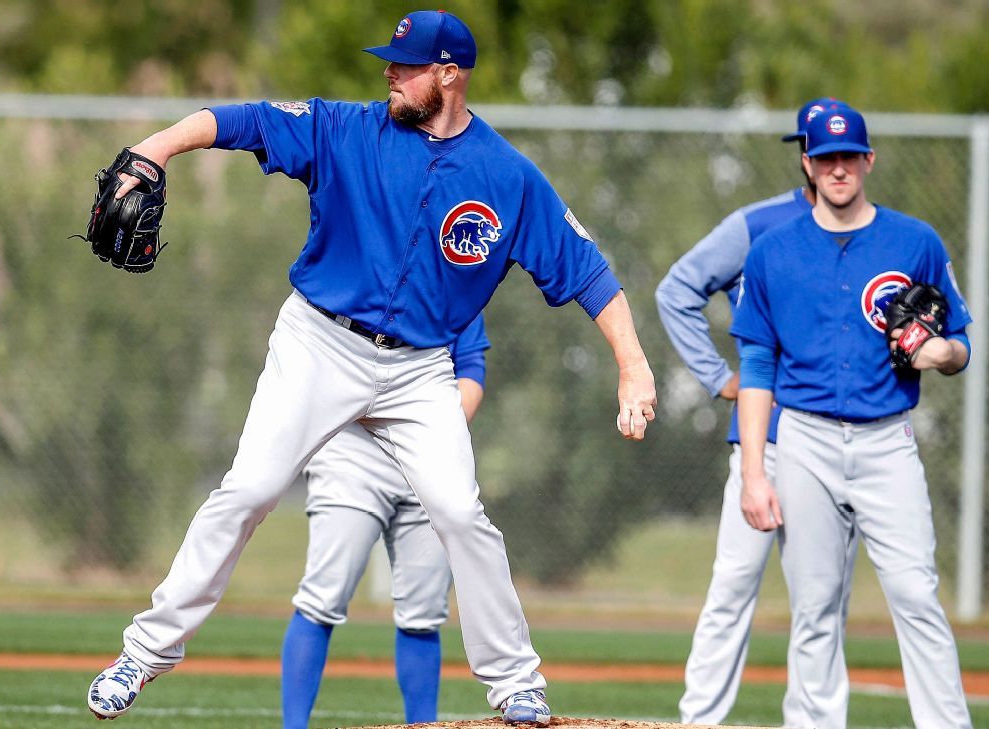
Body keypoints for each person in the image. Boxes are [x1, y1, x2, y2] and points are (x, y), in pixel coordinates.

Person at [85, 10, 658, 725]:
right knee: (251, 488)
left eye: (407, 63)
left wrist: (632, 365)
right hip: (320, 342)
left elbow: (589, 273)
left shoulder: (506, 176)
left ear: (449, 74)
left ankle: (515, 682)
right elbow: (245, 120)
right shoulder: (344, 128)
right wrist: (158, 146)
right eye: (391, 60)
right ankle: (143, 653)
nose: (390, 71)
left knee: (459, 512)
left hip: (421, 369)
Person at [730, 102, 974, 729]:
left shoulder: (915, 242)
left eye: (850, 156)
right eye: (826, 157)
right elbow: (757, 368)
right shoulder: (772, 252)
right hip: (805, 440)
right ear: (808, 163)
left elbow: (961, 346)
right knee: (815, 607)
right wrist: (754, 473)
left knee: (916, 595)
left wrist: (938, 350)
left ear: (869, 160)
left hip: (887, 441)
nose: (838, 168)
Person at [655, 97, 856, 727]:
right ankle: (700, 720)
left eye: (839, 148)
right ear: (804, 156)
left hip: (841, 441)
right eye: (813, 146)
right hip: (763, 440)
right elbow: (677, 289)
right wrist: (719, 379)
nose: (824, 158)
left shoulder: (873, 232)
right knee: (733, 585)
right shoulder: (759, 224)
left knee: (821, 600)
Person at [280, 315, 489, 729]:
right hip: (351, 449)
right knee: (324, 595)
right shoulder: (362, 269)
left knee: (424, 612)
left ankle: (421, 725)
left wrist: (433, 429)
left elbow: (471, 369)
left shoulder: (454, 273)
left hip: (428, 452)